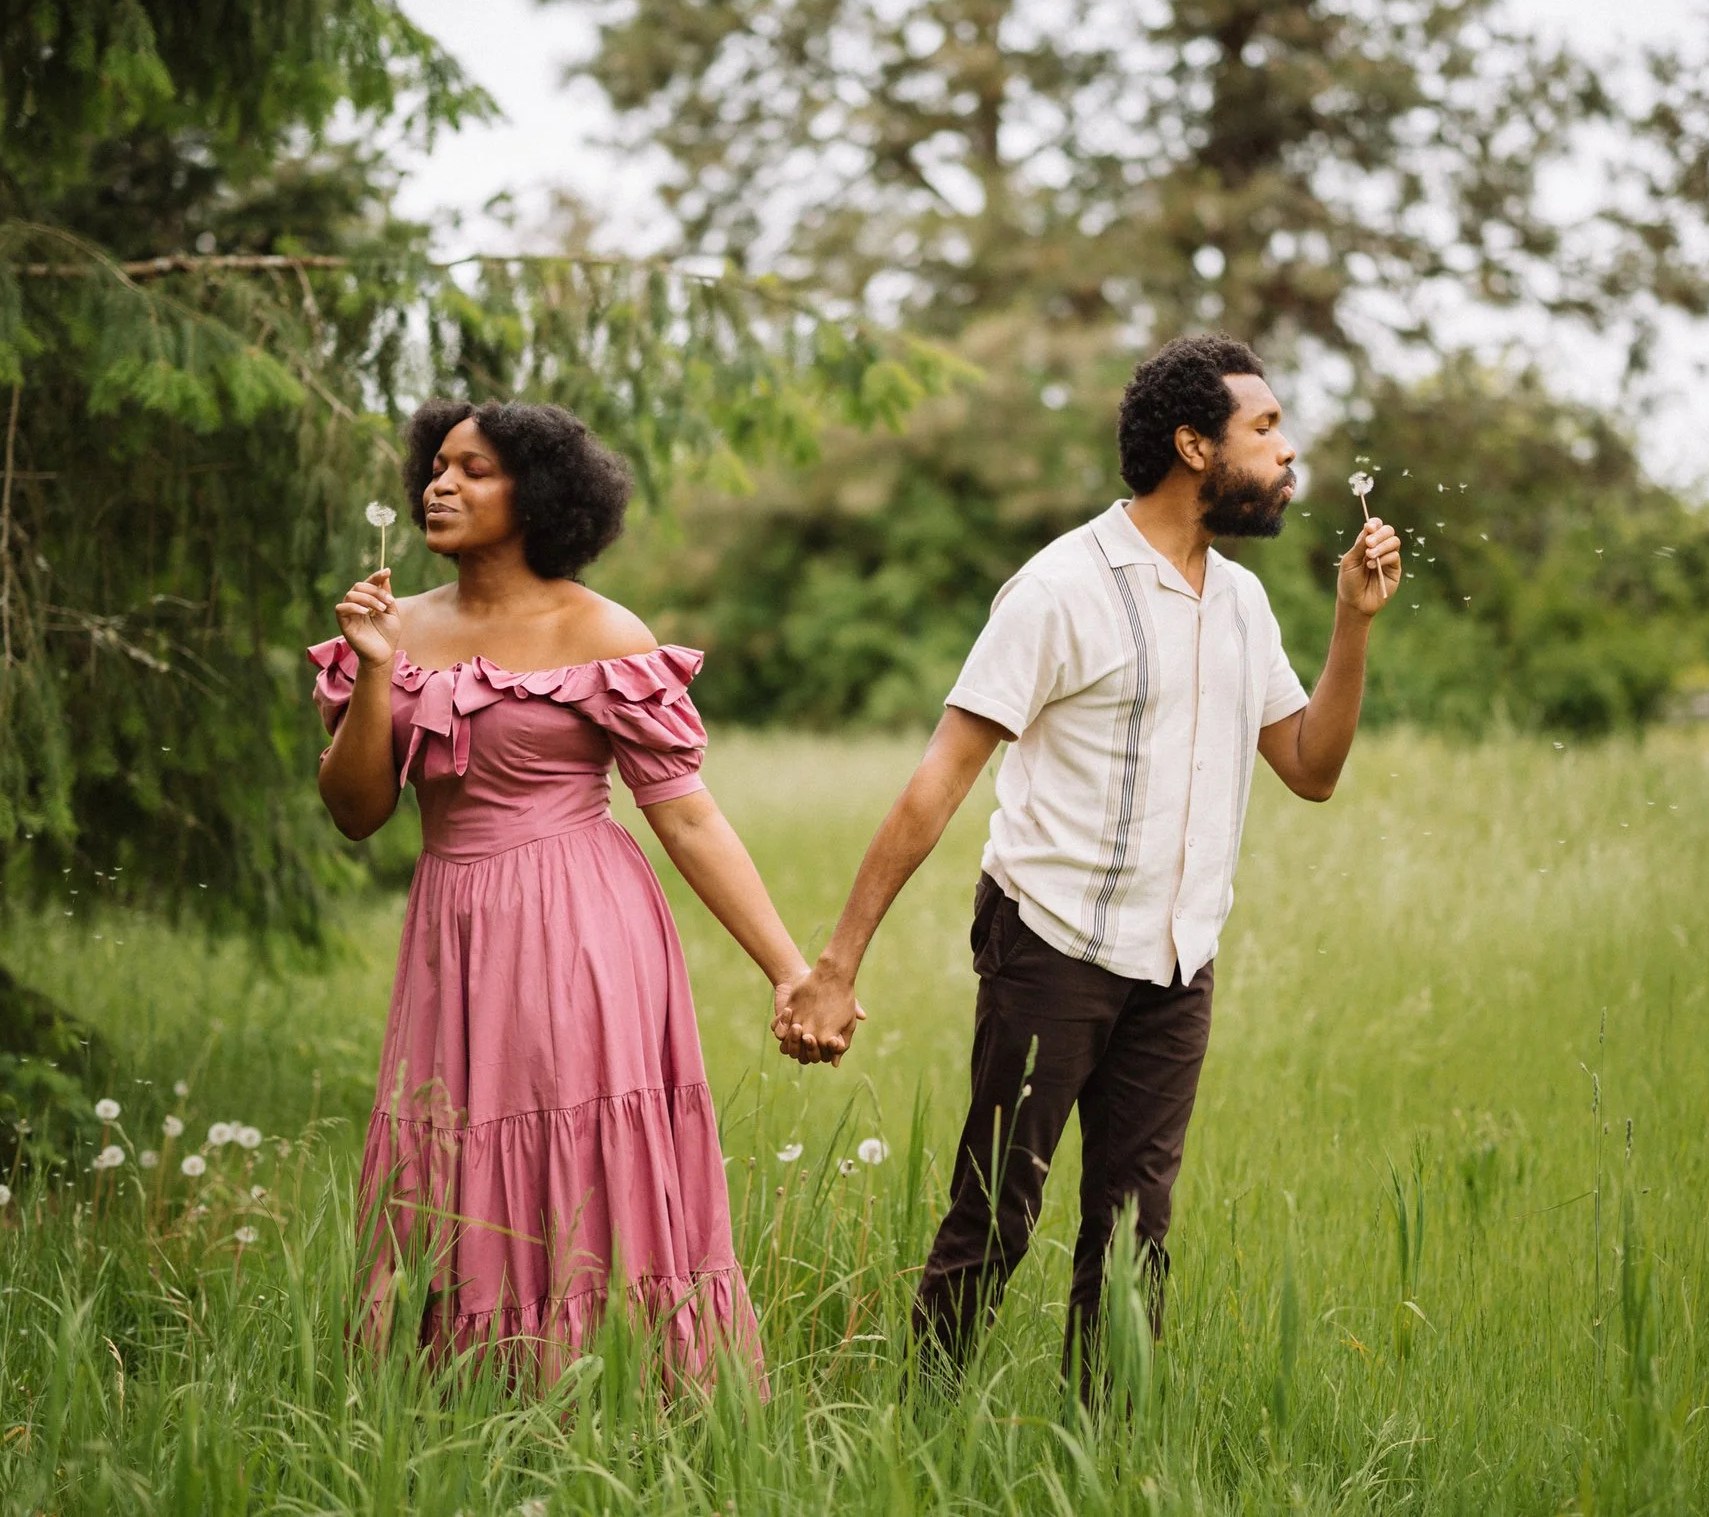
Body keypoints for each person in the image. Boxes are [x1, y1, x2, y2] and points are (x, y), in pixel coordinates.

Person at [774, 334, 1402, 1386]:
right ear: (1194, 446)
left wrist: (1353, 620)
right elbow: (939, 779)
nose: (1288, 450)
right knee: (996, 1213)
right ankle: (923, 1427)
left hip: (1178, 962)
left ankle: (1102, 1452)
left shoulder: (1241, 602)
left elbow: (1311, 767)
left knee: (1134, 1236)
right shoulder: (1060, 586)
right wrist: (837, 962)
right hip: (1050, 946)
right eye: (1265, 427)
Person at [314, 398, 808, 1384]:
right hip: (452, 927)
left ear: (536, 494)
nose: (441, 485)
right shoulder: (397, 626)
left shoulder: (600, 629)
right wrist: (374, 671)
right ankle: (466, 1386)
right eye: (437, 466)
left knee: (577, 1142)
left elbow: (687, 816)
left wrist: (789, 969)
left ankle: (611, 1382)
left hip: (580, 924)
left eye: (475, 470)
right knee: (447, 1145)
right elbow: (356, 811)